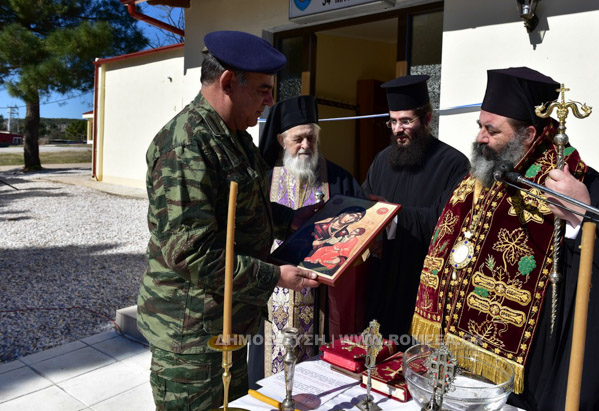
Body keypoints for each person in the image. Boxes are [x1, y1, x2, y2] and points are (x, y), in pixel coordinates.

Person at [410, 67, 599, 410]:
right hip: (453, 365)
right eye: (480, 127)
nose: (480, 137)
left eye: (491, 130)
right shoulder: (481, 176)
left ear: (527, 135)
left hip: (526, 379)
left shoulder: (572, 181)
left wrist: (582, 217)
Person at [137, 31, 320, 411]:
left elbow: (246, 213)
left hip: (225, 323)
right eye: (263, 89)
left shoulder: (233, 135)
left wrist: (298, 220)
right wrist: (275, 276)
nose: (270, 101)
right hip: (192, 339)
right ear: (228, 82)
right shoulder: (187, 145)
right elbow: (193, 254)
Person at [254, 95, 366, 379]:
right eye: (298, 139)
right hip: (272, 298)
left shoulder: (340, 181)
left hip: (321, 304)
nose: (306, 145)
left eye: (311, 138)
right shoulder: (262, 180)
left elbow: (361, 237)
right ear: (281, 140)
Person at [362, 74, 470, 341]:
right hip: (381, 279)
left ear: (428, 119)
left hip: (421, 283)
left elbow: (447, 222)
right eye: (393, 121)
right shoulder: (381, 160)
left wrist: (393, 215)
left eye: (406, 121)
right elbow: (365, 205)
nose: (398, 129)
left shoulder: (453, 164)